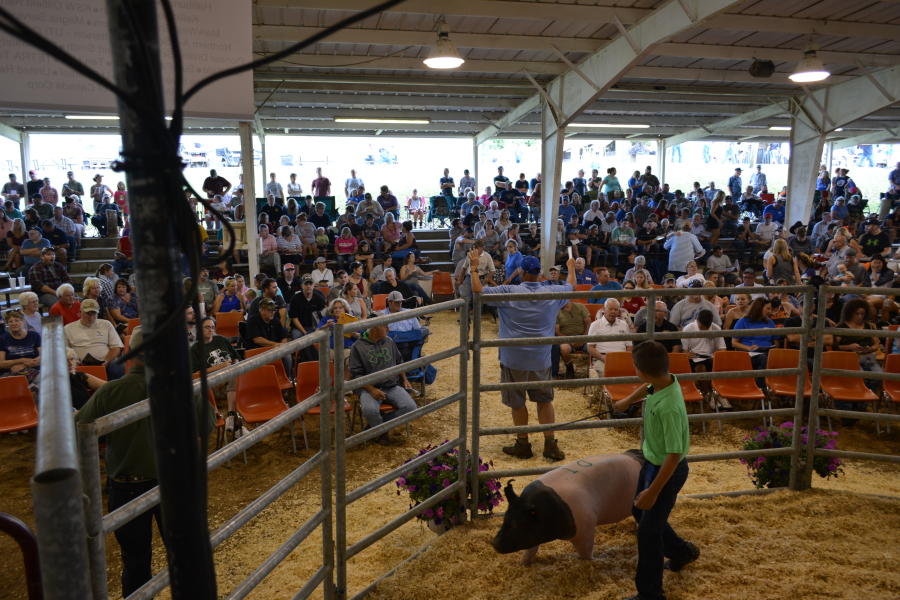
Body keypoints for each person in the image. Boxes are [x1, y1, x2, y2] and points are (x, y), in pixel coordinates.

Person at [612, 341, 697, 600]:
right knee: (639, 510)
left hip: (667, 472)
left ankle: (650, 593)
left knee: (648, 531)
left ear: (640, 370)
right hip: (652, 462)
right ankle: (682, 552)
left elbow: (673, 456)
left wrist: (653, 491)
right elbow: (648, 387)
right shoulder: (667, 380)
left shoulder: (668, 407)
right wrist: (627, 401)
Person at [472, 254, 576, 461]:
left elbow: (478, 290)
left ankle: (523, 443)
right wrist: (571, 267)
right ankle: (550, 444)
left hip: (514, 358)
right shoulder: (551, 292)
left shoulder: (509, 291)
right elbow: (571, 286)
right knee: (544, 401)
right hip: (541, 359)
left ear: (521, 272)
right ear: (539, 274)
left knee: (517, 402)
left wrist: (474, 268)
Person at [348, 322, 418, 445]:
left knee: (411, 408)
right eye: (385, 326)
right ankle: (381, 432)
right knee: (369, 410)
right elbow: (356, 375)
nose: (388, 328)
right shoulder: (357, 346)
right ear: (375, 328)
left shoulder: (389, 341)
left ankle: (375, 427)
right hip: (369, 388)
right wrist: (372, 390)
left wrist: (405, 379)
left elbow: (399, 362)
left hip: (391, 385)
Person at [190, 316, 241, 432]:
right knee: (233, 376)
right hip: (213, 385)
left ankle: (232, 419)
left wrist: (236, 365)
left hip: (233, 379)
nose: (210, 329)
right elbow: (196, 374)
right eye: (207, 327)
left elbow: (236, 357)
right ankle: (232, 416)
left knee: (235, 374)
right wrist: (219, 367)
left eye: (212, 327)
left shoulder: (222, 340)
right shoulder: (195, 349)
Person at [64, 299, 124, 380]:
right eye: (88, 313)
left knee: (117, 365)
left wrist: (106, 361)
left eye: (94, 313)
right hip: (80, 364)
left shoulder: (106, 324)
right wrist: (74, 361)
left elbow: (116, 347)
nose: (91, 317)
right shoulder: (68, 328)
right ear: (80, 312)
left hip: (106, 362)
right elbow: (65, 351)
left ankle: (115, 390)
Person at [732, 298, 779, 376]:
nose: (770, 311)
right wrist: (748, 348)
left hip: (767, 353)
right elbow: (734, 343)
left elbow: (776, 342)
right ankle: (760, 386)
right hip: (749, 354)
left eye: (770, 309)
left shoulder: (770, 322)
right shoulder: (743, 321)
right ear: (759, 308)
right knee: (763, 359)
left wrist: (773, 349)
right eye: (768, 308)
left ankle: (761, 384)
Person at [587, 298, 632, 377]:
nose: (613, 312)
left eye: (616, 309)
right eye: (610, 309)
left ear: (618, 311)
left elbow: (629, 346)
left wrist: (624, 358)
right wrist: (602, 358)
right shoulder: (595, 325)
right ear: (604, 310)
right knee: (607, 374)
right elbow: (590, 347)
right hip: (603, 359)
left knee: (632, 374)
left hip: (621, 358)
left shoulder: (624, 324)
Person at [0, 309, 41, 392]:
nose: (14, 323)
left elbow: (42, 357)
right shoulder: (3, 339)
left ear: (23, 321)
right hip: (10, 373)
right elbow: (1, 363)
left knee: (43, 383)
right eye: (10, 321)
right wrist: (21, 360)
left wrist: (24, 365)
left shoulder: (34, 336)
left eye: (17, 320)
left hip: (33, 371)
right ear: (7, 324)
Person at [552, 299, 591, 379]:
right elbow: (557, 331)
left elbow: (588, 323)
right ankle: (569, 367)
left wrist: (584, 337)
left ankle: (592, 370)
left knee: (592, 347)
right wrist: (569, 340)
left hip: (583, 337)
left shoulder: (580, 306)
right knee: (564, 348)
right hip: (566, 339)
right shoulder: (556, 311)